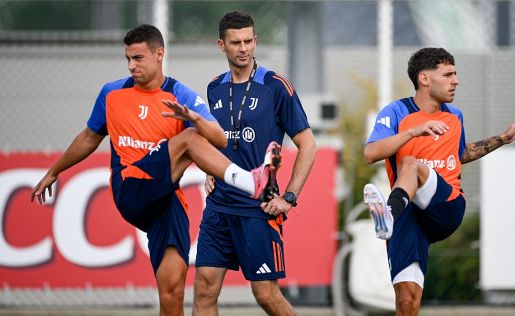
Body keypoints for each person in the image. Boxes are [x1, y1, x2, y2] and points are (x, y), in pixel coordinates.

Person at [30, 24, 281, 316]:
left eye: (138, 58)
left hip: (165, 200)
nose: (131, 65)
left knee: (173, 291)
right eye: (128, 59)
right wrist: (55, 171)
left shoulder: (179, 94)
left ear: (159, 54)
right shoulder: (112, 94)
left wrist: (194, 119)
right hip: (131, 187)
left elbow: (220, 137)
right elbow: (89, 137)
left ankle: (252, 182)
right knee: (188, 139)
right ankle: (252, 184)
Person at [363, 47, 515, 315]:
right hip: (408, 216)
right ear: (425, 79)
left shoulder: (454, 115)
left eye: (455, 74)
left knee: (410, 165)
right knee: (406, 303)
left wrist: (503, 138)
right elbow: (371, 153)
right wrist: (413, 132)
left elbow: (460, 154)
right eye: (448, 74)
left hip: (446, 207)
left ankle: (387, 214)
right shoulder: (396, 112)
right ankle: (390, 217)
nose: (456, 80)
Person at [193, 11, 317, 316]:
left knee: (265, 295)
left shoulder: (275, 86)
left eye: (249, 41)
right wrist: (212, 169)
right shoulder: (214, 88)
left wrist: (289, 197)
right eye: (236, 42)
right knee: (204, 288)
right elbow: (215, 139)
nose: (244, 48)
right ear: (221, 44)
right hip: (219, 207)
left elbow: (307, 144)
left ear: (255, 41)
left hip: (257, 209)